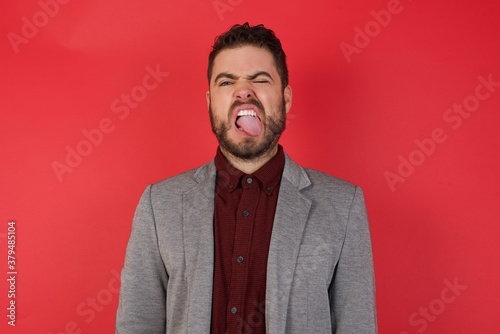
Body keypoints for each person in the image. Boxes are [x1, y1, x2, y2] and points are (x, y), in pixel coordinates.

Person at [116, 22, 377, 334]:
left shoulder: (343, 206)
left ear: (286, 98)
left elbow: (357, 326)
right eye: (227, 82)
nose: (244, 91)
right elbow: (137, 325)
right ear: (210, 101)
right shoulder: (159, 205)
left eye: (260, 80)